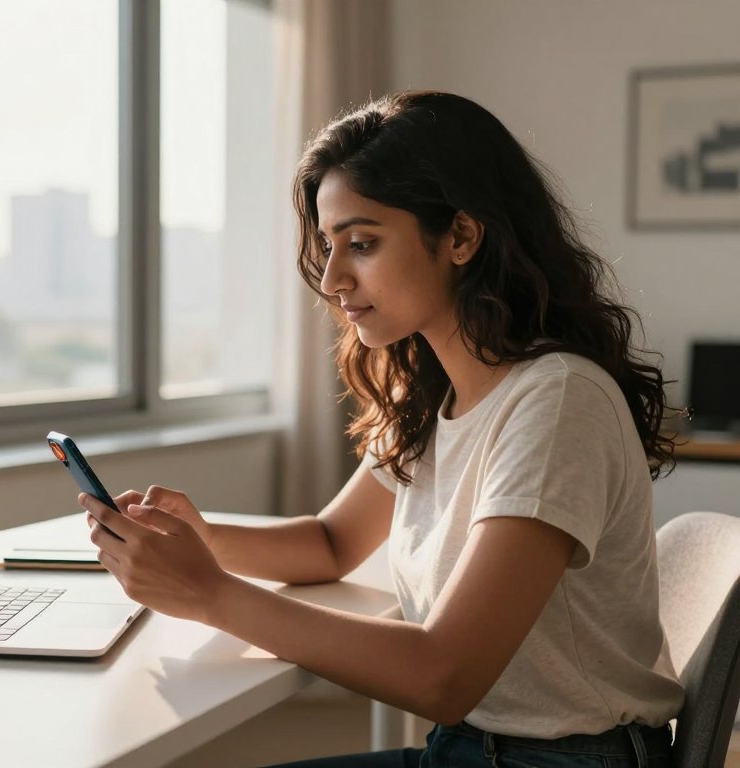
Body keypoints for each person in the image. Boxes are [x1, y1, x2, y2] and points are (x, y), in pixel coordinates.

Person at [79, 91, 685, 768]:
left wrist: (209, 594)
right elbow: (332, 542)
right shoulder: (434, 392)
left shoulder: (557, 401)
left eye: (362, 243)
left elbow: (444, 675)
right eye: (329, 244)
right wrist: (200, 543)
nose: (334, 277)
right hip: (473, 750)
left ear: (461, 236)